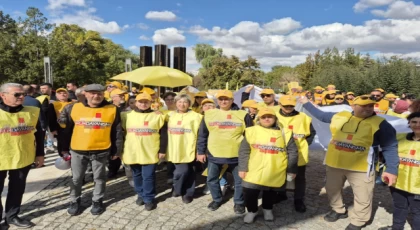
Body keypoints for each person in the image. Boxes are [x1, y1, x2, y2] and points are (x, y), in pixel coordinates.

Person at [300, 95, 399, 230]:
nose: (368, 108)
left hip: (362, 167)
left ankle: (359, 221)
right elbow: (321, 116)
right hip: (335, 163)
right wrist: (306, 103)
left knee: (363, 195)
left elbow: (390, 146)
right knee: (331, 189)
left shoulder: (381, 124)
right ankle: (339, 210)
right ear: (353, 106)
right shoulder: (340, 116)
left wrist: (392, 169)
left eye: (370, 105)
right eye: (363, 105)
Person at [60, 84, 123, 216]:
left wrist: (117, 151)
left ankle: (97, 200)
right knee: (77, 178)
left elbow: (116, 131)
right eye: (93, 93)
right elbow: (66, 131)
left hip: (101, 149)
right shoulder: (73, 107)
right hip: (78, 149)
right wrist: (63, 149)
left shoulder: (112, 109)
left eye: (99, 93)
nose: (96, 96)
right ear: (85, 94)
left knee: (99, 177)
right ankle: (74, 200)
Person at [197, 90, 254, 214]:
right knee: (211, 179)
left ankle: (239, 202)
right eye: (221, 99)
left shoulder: (243, 115)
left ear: (232, 100)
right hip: (214, 153)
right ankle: (217, 199)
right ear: (217, 100)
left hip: (237, 154)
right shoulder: (209, 114)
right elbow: (202, 135)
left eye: (226, 99)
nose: (223, 101)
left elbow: (251, 136)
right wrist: (200, 151)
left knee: (239, 181)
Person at [239, 108, 298, 223]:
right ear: (259, 119)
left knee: (270, 193)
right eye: (263, 117)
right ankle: (252, 211)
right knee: (250, 192)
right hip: (253, 168)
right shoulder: (251, 131)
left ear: (275, 118)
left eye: (269, 116)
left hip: (275, 168)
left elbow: (293, 152)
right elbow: (244, 151)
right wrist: (242, 167)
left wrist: (292, 169)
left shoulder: (285, 133)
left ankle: (267, 209)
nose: (266, 119)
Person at [0, 83, 44, 228]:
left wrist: (40, 154)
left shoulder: (32, 111)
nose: (21, 97)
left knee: (17, 189)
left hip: (22, 157)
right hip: (1, 158)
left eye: (22, 94)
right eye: (16, 95)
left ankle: (12, 216)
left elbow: (39, 134)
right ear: (3, 95)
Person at [121, 92, 167, 211]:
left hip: (150, 150)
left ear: (151, 103)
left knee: (148, 176)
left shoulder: (158, 116)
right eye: (140, 101)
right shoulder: (126, 115)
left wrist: (162, 150)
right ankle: (140, 194)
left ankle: (148, 198)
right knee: (136, 175)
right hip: (132, 150)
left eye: (146, 102)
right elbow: (120, 133)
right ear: (136, 103)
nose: (143, 104)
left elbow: (163, 135)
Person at [273, 95, 316, 213]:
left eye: (291, 105)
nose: (288, 107)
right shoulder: (274, 116)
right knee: (280, 175)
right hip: (278, 152)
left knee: (299, 178)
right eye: (285, 105)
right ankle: (281, 194)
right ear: (280, 105)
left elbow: (311, 133)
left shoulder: (304, 117)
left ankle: (298, 199)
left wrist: (305, 144)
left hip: (299, 153)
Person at [378, 112, 420, 230]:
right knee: (399, 206)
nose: (417, 125)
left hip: (417, 186)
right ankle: (396, 228)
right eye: (414, 122)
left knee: (417, 212)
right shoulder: (399, 137)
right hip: (398, 182)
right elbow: (386, 152)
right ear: (409, 123)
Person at [166, 94, 203, 203]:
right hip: (174, 148)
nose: (182, 104)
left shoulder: (197, 116)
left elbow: (201, 135)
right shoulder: (169, 115)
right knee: (181, 172)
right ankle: (178, 188)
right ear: (175, 103)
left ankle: (187, 193)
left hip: (189, 148)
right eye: (179, 102)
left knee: (189, 171)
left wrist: (199, 150)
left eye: (185, 102)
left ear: (189, 104)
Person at [49, 88, 73, 156]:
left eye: (64, 93)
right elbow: (51, 118)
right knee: (62, 144)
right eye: (60, 93)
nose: (62, 94)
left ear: (68, 95)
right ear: (56, 96)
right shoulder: (53, 104)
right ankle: (64, 157)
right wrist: (53, 129)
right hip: (61, 128)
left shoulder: (73, 103)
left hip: (73, 127)